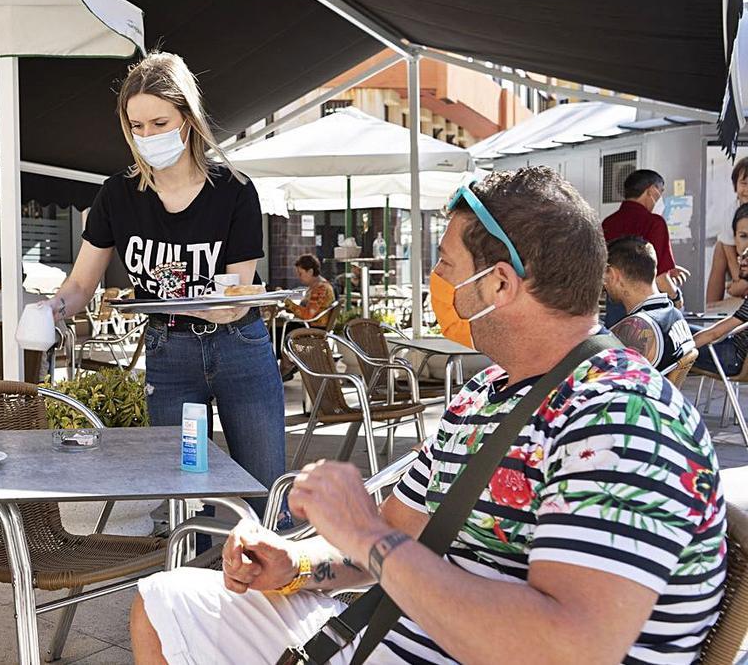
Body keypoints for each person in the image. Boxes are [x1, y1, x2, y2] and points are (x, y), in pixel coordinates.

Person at [130, 167, 726, 664]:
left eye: (445, 262)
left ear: (498, 284)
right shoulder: (487, 392)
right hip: (393, 630)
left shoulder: (621, 416)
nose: (436, 278)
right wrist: (296, 564)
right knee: (165, 600)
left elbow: (568, 646)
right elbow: (398, 538)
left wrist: (365, 530)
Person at [41, 51, 284, 517]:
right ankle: (195, 584)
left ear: (188, 120)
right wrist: (50, 309)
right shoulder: (117, 195)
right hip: (169, 352)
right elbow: (81, 282)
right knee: (188, 496)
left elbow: (235, 295)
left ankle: (265, 586)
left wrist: (192, 303)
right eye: (136, 126)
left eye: (159, 122)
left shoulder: (234, 191)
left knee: (263, 489)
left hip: (239, 346)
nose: (146, 136)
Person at [601, 169, 688, 325]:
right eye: (660, 192)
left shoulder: (608, 223)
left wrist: (669, 267)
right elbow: (660, 277)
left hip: (614, 302)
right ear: (652, 190)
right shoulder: (654, 223)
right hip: (646, 308)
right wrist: (676, 297)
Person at [604, 236, 695, 373]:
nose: (603, 282)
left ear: (613, 275)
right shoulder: (675, 314)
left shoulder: (635, 328)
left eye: (604, 274)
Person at [278, 253, 337, 378]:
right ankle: (286, 364)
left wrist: (287, 302)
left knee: (275, 333)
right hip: (310, 326)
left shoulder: (320, 289)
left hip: (312, 329)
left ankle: (286, 364)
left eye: (300, 273)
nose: (299, 277)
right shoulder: (316, 287)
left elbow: (308, 315)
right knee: (278, 329)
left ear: (310, 271)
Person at [706, 157, 748, 303]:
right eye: (744, 183)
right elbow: (730, 256)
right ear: (735, 186)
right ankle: (711, 307)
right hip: (740, 261)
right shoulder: (730, 213)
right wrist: (739, 282)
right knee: (720, 248)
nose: (747, 190)